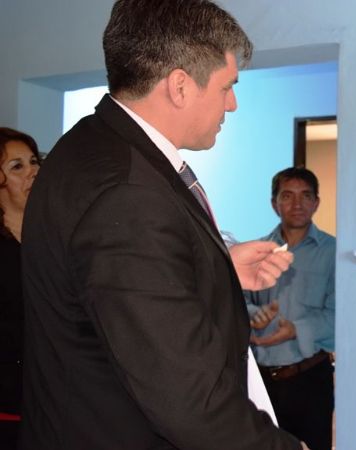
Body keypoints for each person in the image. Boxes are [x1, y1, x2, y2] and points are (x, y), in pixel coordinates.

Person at [19, 1, 306, 449]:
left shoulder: (91, 147)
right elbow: (187, 398)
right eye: (227, 86)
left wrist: (219, 267)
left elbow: (113, 295)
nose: (232, 103)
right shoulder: (126, 192)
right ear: (179, 86)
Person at [246, 167, 335, 450]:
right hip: (261, 381)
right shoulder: (257, 251)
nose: (297, 204)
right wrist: (254, 317)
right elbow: (240, 300)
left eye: (305, 196)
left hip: (309, 379)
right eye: (287, 196)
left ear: (316, 202)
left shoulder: (334, 252)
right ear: (275, 204)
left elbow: (341, 316)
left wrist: (295, 330)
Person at [0, 127, 40, 447]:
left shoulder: (54, 239)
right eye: (17, 167)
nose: (33, 172)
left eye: (33, 161)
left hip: (53, 403)